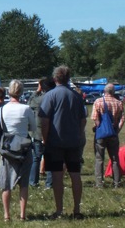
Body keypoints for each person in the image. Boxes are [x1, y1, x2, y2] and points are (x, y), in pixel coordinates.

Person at [39, 65, 87, 220]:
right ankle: (77, 209)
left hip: (55, 142)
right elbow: (83, 120)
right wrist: (78, 136)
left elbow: (44, 121)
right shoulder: (77, 96)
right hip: (73, 141)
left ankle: (59, 210)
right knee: (75, 175)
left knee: (57, 176)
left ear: (55, 78)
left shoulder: (50, 96)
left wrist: (45, 140)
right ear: (68, 78)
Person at [0, 80, 36, 222]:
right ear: (21, 91)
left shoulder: (2, 109)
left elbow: (3, 127)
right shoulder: (26, 109)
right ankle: (22, 215)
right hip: (24, 148)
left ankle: (7, 215)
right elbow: (33, 127)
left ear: (9, 92)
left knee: (6, 184)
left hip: (8, 148)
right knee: (23, 183)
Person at [92, 83, 125, 188]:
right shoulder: (119, 103)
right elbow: (122, 119)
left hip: (101, 133)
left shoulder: (98, 101)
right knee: (115, 159)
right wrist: (117, 130)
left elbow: (95, 118)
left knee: (99, 158)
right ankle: (116, 182)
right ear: (113, 92)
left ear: (104, 91)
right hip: (113, 133)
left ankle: (99, 183)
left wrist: (98, 127)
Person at [28, 78, 54, 188]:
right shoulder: (53, 97)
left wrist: (37, 91)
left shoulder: (38, 99)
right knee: (51, 159)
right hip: (52, 132)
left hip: (38, 133)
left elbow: (29, 103)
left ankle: (33, 182)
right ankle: (49, 184)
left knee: (36, 158)